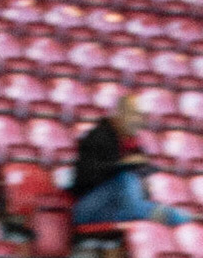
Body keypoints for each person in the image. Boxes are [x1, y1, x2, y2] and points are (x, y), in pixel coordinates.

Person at [70, 95, 188, 228]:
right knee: (126, 177)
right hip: (88, 210)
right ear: (120, 114)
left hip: (116, 211)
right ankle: (156, 213)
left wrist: (140, 175)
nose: (139, 121)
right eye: (134, 115)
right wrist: (121, 165)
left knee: (136, 180)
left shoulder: (133, 143)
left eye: (140, 116)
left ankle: (151, 213)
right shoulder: (96, 137)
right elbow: (85, 179)